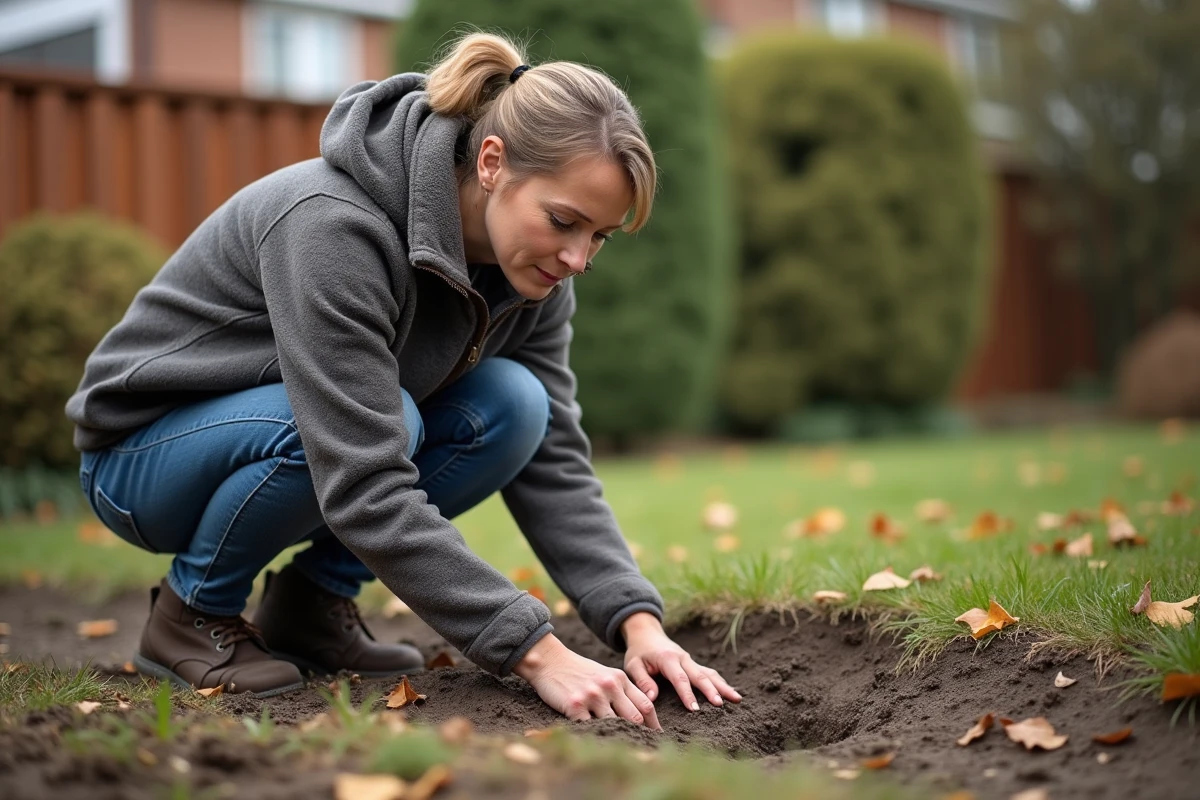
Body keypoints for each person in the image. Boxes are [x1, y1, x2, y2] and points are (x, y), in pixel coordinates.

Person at [65, 32, 740, 729]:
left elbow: (554, 460)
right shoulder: (334, 227)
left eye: (598, 236)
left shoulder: (533, 274)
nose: (577, 257)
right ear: (491, 162)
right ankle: (191, 611)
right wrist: (537, 652)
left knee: (516, 406)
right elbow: (364, 477)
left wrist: (636, 622)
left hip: (298, 439)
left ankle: (311, 605)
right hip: (143, 459)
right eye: (563, 221)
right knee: (392, 423)